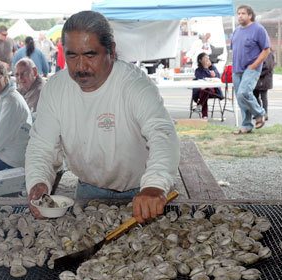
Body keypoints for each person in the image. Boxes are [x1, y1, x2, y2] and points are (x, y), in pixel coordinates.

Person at [25, 11, 180, 223]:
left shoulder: (134, 85)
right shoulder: (55, 89)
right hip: (88, 189)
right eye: (72, 56)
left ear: (112, 51)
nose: (80, 67)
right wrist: (38, 182)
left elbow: (162, 134)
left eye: (90, 55)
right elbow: (42, 145)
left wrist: (155, 186)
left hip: (142, 192)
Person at [231, 5, 270, 134]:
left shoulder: (258, 29)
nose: (240, 16)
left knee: (244, 92)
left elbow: (266, 50)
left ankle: (260, 114)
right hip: (237, 69)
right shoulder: (236, 31)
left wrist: (254, 65)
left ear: (250, 15)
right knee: (240, 98)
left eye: (243, 13)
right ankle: (246, 125)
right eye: (238, 13)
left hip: (251, 69)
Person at [191, 53, 223, 119]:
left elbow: (218, 77)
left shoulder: (213, 68)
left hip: (213, 91)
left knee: (206, 89)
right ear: (200, 60)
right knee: (205, 90)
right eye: (205, 58)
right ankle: (204, 116)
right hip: (202, 91)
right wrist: (206, 68)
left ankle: (200, 106)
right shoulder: (198, 70)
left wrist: (214, 75)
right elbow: (201, 79)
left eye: (208, 58)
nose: (207, 59)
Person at [253, 50, 274, 121]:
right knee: (255, 96)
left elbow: (268, 67)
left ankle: (265, 114)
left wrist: (257, 73)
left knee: (263, 97)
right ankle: (259, 113)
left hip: (264, 79)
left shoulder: (268, 53)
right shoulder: (258, 52)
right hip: (257, 78)